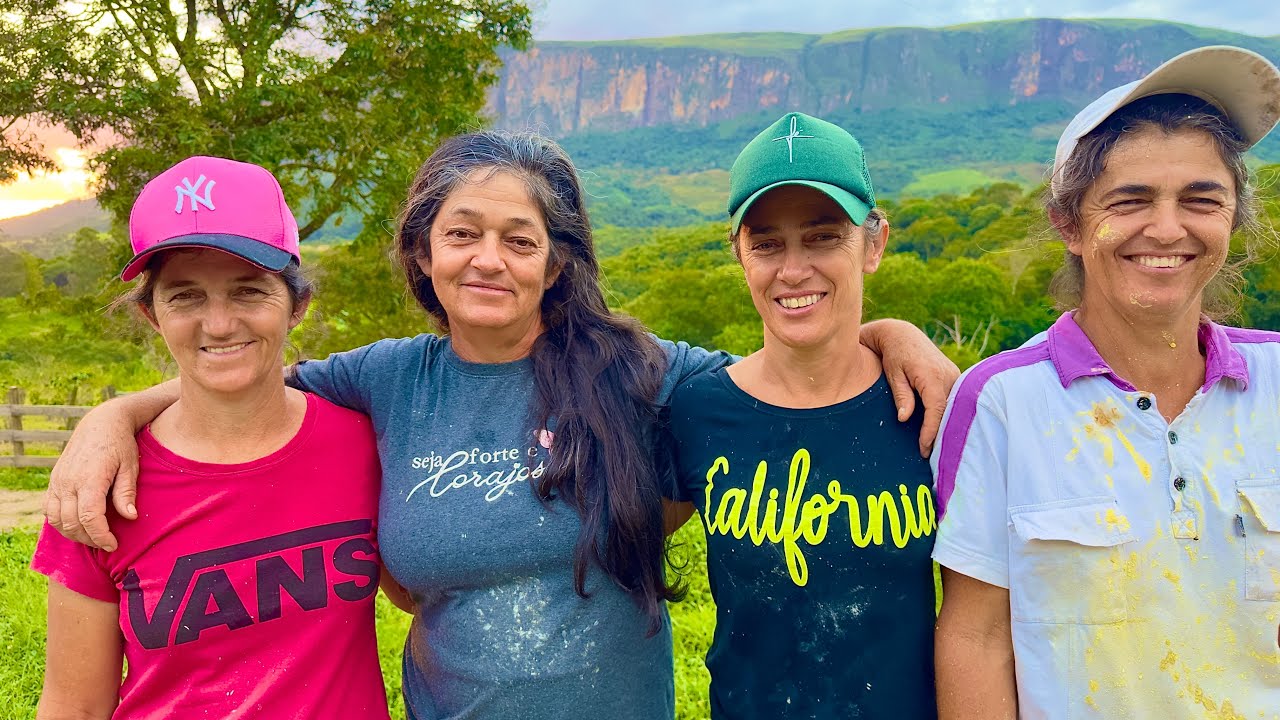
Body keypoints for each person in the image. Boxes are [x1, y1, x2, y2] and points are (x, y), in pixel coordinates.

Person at [45, 132, 957, 719]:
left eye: (520, 240)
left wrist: (889, 334)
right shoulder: (383, 380)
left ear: (556, 264)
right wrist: (113, 416)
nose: (489, 260)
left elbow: (782, 376)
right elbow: (239, 375)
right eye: (461, 234)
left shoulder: (639, 370)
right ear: (423, 252)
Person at [931, 45, 1280, 719]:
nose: (1168, 228)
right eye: (1131, 200)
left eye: (1201, 199)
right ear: (1069, 223)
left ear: (1233, 216)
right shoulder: (1003, 401)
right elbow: (977, 637)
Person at [31, 156, 391, 719]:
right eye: (186, 296)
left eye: (248, 292)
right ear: (153, 315)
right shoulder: (100, 483)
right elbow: (74, 707)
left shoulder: (365, 445)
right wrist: (110, 417)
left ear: (297, 304)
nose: (219, 324)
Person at [663, 112, 938, 718]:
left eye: (822, 237)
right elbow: (620, 550)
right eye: (766, 244)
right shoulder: (698, 410)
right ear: (739, 254)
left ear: (874, 244)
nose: (792, 270)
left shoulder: (927, 405)